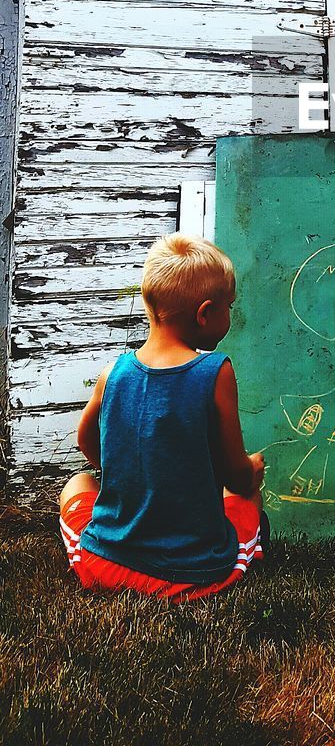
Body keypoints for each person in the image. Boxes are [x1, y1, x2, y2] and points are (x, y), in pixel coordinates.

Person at [58, 232, 267, 600]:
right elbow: (235, 476)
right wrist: (252, 469)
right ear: (205, 314)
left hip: (107, 564)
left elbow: (85, 441)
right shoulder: (215, 373)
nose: (231, 313)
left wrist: (130, 473)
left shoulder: (114, 373)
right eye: (229, 306)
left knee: (77, 484)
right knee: (245, 499)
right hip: (194, 573)